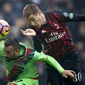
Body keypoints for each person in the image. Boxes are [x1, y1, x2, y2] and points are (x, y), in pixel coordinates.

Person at [22, 4, 85, 85]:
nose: (33, 23)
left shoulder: (55, 16)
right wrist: (35, 37)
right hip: (53, 64)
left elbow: (76, 17)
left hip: (71, 58)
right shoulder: (33, 28)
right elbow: (38, 50)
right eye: (30, 21)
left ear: (38, 13)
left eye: (33, 19)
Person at [0, 37, 75, 85]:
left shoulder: (31, 54)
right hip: (13, 80)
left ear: (16, 52)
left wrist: (62, 71)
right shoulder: (2, 48)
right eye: (4, 52)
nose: (5, 55)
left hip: (29, 80)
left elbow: (48, 58)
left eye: (8, 53)